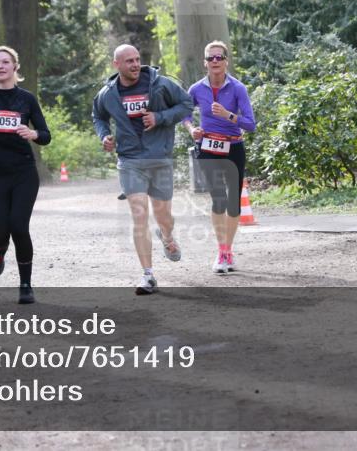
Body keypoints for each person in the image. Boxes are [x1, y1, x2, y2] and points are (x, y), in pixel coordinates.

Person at [92, 44, 193, 295]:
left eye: (137, 59)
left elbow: (186, 104)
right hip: (130, 160)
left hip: (160, 157)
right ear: (117, 64)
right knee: (139, 215)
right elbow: (99, 116)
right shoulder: (108, 93)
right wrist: (104, 136)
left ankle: (167, 237)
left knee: (163, 215)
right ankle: (148, 275)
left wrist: (159, 117)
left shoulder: (161, 84)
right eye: (129, 61)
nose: (135, 64)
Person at [0, 46, 51, 304]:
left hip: (24, 172)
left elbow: (46, 135)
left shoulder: (26, 99)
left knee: (18, 226)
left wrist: (33, 134)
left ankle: (25, 285)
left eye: (5, 62)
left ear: (15, 67)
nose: (0, 67)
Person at [182, 41, 256, 274]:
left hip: (233, 147)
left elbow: (250, 124)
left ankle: (229, 250)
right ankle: (222, 251)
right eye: (210, 58)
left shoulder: (237, 88)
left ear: (226, 61)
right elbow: (184, 112)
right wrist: (191, 129)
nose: (215, 61)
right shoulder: (196, 89)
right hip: (208, 147)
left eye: (219, 57)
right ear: (205, 63)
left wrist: (228, 115)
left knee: (233, 203)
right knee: (218, 199)